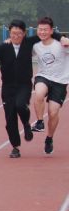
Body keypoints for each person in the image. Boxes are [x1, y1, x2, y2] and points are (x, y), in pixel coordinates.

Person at [0, 20, 65, 157]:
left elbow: (47, 34)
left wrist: (62, 37)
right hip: (8, 87)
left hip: (24, 85)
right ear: (9, 33)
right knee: (10, 119)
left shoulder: (29, 43)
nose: (16, 36)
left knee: (20, 105)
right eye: (13, 33)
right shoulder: (4, 47)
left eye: (19, 33)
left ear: (24, 33)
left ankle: (27, 125)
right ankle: (15, 147)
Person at [30, 16, 69, 155]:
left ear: (52, 31)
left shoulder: (61, 43)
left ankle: (49, 138)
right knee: (39, 93)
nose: (42, 32)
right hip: (43, 76)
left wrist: (66, 40)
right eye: (40, 29)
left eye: (45, 30)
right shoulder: (35, 45)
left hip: (60, 81)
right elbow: (20, 50)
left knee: (53, 113)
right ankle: (40, 122)